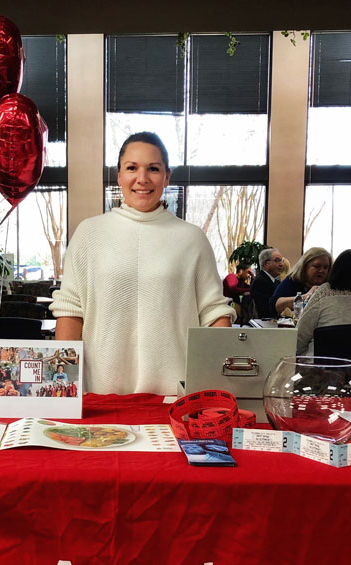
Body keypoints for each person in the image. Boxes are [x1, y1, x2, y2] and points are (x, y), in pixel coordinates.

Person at [51, 132, 234, 395]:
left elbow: (215, 315)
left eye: (153, 169)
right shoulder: (89, 233)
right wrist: (64, 388)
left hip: (175, 395)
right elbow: (70, 310)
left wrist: (216, 386)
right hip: (101, 392)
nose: (142, 179)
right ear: (119, 176)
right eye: (132, 168)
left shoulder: (192, 238)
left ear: (167, 177)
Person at [270, 247, 332, 315]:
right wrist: (306, 297)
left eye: (325, 267)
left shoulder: (330, 285)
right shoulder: (292, 280)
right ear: (305, 266)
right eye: (317, 266)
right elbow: (275, 305)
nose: (322, 270)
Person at [251, 247, 288, 318]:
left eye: (282, 261)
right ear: (266, 264)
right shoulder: (260, 282)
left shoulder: (275, 281)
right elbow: (266, 311)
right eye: (277, 260)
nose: (281, 264)